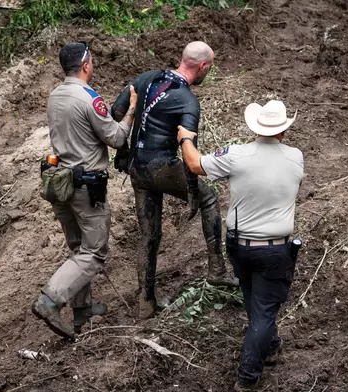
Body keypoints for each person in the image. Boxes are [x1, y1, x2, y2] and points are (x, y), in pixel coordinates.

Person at [177, 100, 304, 391]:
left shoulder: (236, 155)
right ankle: (247, 378)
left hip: (240, 247)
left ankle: (269, 346)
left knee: (253, 300)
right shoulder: (296, 157)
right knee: (264, 310)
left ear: (255, 128)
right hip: (274, 249)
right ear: (284, 130)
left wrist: (185, 138)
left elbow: (195, 164)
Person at [109, 41, 237, 320]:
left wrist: (124, 151)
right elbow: (189, 153)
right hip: (161, 167)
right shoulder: (188, 100)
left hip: (137, 169)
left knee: (149, 235)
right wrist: (191, 191)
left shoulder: (146, 78)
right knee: (209, 197)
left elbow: (116, 113)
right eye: (209, 68)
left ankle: (145, 303)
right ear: (202, 66)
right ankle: (217, 270)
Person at [32, 41, 138, 340]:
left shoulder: (54, 95)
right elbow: (115, 138)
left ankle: (82, 311)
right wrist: (131, 111)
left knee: (79, 248)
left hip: (59, 183)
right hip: (86, 186)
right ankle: (49, 301)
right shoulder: (89, 98)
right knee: (94, 252)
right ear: (87, 64)